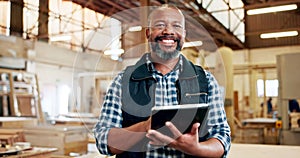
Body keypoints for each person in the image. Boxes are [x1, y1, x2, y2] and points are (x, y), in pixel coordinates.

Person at [93, 5, 231, 158]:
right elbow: (103, 140)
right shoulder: (123, 82)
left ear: (184, 35)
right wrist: (146, 127)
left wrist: (195, 148)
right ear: (148, 33)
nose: (168, 31)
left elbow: (222, 139)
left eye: (176, 26)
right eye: (160, 25)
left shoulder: (206, 81)